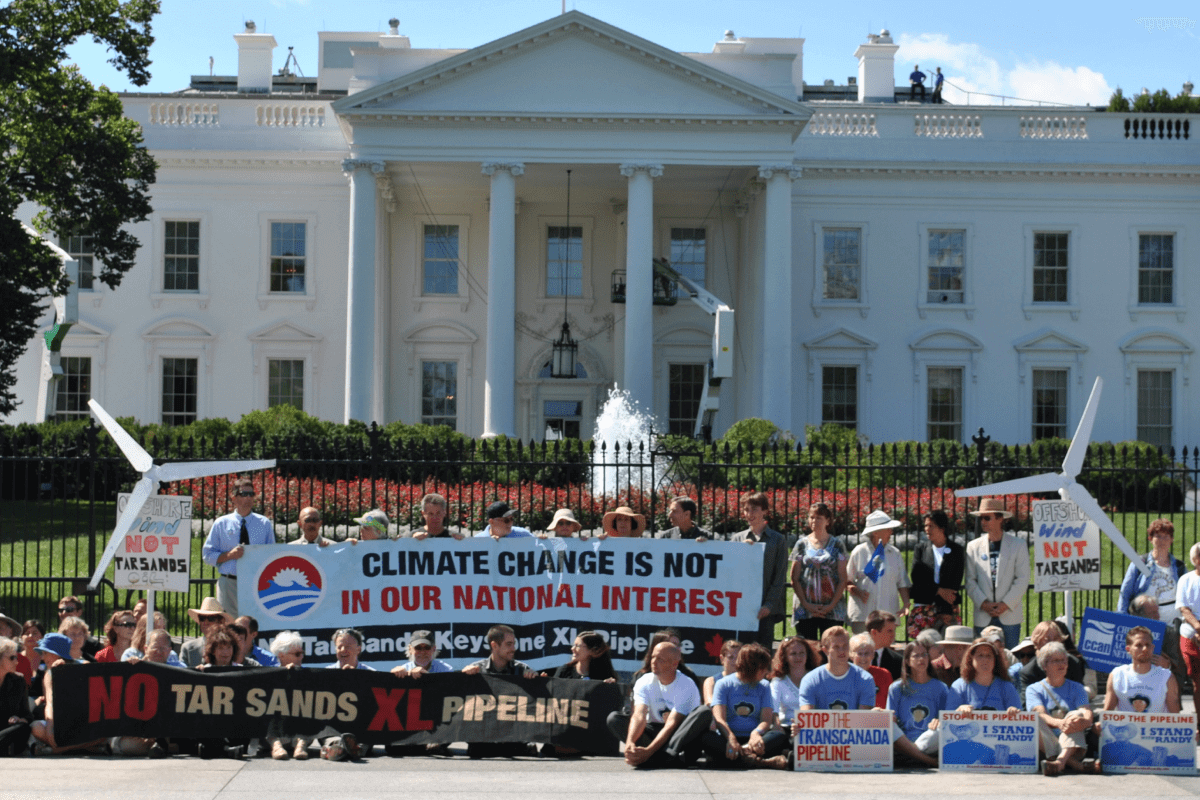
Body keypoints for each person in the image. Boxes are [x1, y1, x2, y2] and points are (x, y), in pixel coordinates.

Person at [608, 641, 703, 768]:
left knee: (704, 712)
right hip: (654, 730)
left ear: (674, 664)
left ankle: (660, 757)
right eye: (653, 657)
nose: (653, 662)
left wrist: (649, 751)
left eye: (660, 659)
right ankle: (660, 758)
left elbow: (672, 724)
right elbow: (639, 715)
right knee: (614, 718)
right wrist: (630, 742)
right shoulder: (644, 681)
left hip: (678, 736)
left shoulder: (686, 684)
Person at [703, 643, 789, 769]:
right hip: (728, 736)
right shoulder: (723, 684)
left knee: (779, 736)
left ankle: (734, 757)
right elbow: (719, 719)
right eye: (762, 668)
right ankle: (761, 762)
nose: (766, 672)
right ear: (751, 667)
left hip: (753, 739)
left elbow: (766, 720)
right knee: (706, 738)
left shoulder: (764, 686)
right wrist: (731, 739)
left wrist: (756, 733)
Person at [202, 477, 274, 617]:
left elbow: (271, 555)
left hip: (256, 583)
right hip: (229, 583)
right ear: (233, 497)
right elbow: (207, 555)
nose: (248, 498)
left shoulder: (264, 524)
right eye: (244, 494)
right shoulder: (221, 523)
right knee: (229, 624)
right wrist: (229, 555)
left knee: (254, 623)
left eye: (251, 494)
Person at [462, 624, 537, 758]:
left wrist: (537, 681)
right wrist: (463, 677)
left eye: (514, 644)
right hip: (482, 741)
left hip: (513, 738)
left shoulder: (522, 670)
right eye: (509, 644)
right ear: (494, 645)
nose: (513, 649)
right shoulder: (476, 670)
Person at [964, 498, 1029, 649]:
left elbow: (1022, 578)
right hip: (983, 615)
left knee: (1009, 659)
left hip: (1009, 615)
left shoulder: (1018, 545)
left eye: (987, 517)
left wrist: (1005, 604)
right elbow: (970, 580)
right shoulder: (973, 546)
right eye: (981, 518)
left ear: (1000, 518)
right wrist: (984, 603)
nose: (983, 522)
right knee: (983, 658)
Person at [1027, 641, 1096, 776]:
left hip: (1073, 742)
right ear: (1044, 665)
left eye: (1064, 660)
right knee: (1035, 719)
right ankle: (1073, 764)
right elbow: (1041, 714)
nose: (1062, 664)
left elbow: (1086, 710)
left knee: (1076, 714)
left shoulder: (1077, 687)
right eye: (1056, 661)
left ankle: (1058, 763)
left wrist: (1085, 720)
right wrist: (1060, 723)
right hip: (1047, 743)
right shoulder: (1034, 689)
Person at [731, 492, 787, 646]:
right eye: (746, 509)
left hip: (764, 609)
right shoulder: (737, 539)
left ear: (765, 511)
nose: (749, 514)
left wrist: (769, 605)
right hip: (741, 607)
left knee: (762, 654)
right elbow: (730, 572)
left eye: (754, 509)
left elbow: (780, 576)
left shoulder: (777, 540)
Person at [111, 629, 177, 758]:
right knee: (127, 746)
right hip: (139, 729)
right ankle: (163, 746)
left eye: (163, 648)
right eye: (155, 647)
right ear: (146, 648)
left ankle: (162, 745)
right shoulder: (134, 665)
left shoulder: (179, 669)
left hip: (169, 728)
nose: (159, 651)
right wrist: (130, 668)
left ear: (169, 651)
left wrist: (200, 671)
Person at [790, 502, 848, 640]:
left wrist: (830, 606)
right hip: (805, 608)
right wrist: (806, 604)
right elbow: (794, 578)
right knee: (808, 649)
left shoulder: (838, 544)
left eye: (819, 518)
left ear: (828, 521)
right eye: (811, 517)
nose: (814, 521)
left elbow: (843, 579)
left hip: (832, 609)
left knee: (831, 648)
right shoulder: (801, 544)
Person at [847, 510, 910, 633]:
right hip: (863, 616)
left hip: (887, 616)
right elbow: (847, 581)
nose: (891, 532)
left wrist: (906, 604)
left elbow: (902, 583)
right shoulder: (859, 552)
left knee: (885, 651)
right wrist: (858, 592)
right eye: (887, 529)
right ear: (875, 532)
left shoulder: (895, 554)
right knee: (862, 651)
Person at [888, 641, 947, 766]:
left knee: (942, 728)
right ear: (908, 661)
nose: (921, 659)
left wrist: (939, 721)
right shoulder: (896, 688)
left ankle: (911, 755)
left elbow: (945, 718)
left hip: (929, 740)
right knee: (887, 724)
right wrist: (890, 718)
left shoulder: (940, 688)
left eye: (924, 655)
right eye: (916, 655)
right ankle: (929, 761)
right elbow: (891, 720)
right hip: (903, 740)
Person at [908, 510, 965, 638]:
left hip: (947, 609)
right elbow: (917, 578)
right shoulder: (920, 549)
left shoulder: (957, 551)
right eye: (925, 526)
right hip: (924, 606)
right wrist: (939, 590)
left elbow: (954, 583)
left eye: (931, 526)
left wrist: (945, 609)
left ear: (942, 527)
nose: (927, 529)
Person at [1103, 625, 1181, 714]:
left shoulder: (1166, 677)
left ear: (1152, 648)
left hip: (1156, 727)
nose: (1144, 649)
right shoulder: (1117, 675)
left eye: (1147, 645)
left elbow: (1175, 717)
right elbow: (1107, 713)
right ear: (1128, 649)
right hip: (1126, 727)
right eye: (1139, 645)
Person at [1119, 518, 1185, 620]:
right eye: (1158, 536)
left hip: (1173, 620)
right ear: (1150, 538)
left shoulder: (1179, 566)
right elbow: (1125, 592)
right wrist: (1122, 616)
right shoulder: (1140, 563)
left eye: (1166, 536)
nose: (1162, 540)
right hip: (1145, 618)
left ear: (1171, 539)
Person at [799, 627, 877, 711]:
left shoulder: (865, 679)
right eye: (836, 647)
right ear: (825, 650)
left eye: (845, 646)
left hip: (854, 724)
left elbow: (863, 718)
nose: (842, 651)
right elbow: (806, 716)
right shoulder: (811, 680)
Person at [1015, 620, 1085, 707]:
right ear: (1037, 643)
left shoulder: (1073, 663)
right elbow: (1027, 705)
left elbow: (1081, 696)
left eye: (1056, 638)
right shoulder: (1029, 671)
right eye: (1047, 640)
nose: (1052, 643)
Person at [267, 631, 311, 760]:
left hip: (298, 730)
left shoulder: (308, 676)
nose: (301, 657)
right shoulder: (268, 675)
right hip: (274, 731)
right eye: (297, 654)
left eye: (302, 653)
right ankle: (276, 746)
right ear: (281, 655)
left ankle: (301, 745)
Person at [1129, 593, 1186, 687]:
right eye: (1152, 613)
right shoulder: (1126, 632)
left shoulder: (1169, 633)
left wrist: (1167, 665)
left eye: (1157, 611)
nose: (1157, 616)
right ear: (1139, 616)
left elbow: (1180, 669)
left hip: (1159, 686)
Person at [769, 636, 819, 733]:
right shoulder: (778, 681)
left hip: (812, 729)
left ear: (807, 655)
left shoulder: (817, 679)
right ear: (785, 657)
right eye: (793, 654)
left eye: (802, 653)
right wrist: (777, 725)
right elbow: (773, 710)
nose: (798, 657)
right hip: (785, 728)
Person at [180, 597, 232, 668]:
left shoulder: (232, 647)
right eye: (202, 618)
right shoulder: (188, 649)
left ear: (221, 621)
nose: (206, 622)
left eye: (211, 618)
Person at [0, 636, 30, 756]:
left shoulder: (18, 680)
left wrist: (19, 719)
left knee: (24, 727)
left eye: (16, 657)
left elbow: (27, 715)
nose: (16, 662)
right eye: (12, 658)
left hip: (7, 731)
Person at [552, 631, 616, 682]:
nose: (572, 648)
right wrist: (546, 683)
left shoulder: (603, 675)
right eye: (574, 645)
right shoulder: (565, 670)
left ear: (592, 650)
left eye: (577, 646)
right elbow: (552, 694)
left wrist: (610, 688)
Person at [849, 632, 892, 708]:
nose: (863, 657)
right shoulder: (843, 675)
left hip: (878, 718)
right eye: (859, 653)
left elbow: (891, 704)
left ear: (873, 655)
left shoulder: (884, 674)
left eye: (867, 653)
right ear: (851, 655)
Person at [866, 610, 903, 680]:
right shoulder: (854, 658)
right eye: (889, 631)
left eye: (894, 630)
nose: (893, 635)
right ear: (874, 632)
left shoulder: (897, 661)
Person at [704, 639, 742, 704]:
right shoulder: (711, 682)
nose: (735, 661)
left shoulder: (748, 682)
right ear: (722, 659)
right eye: (731, 657)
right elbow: (709, 702)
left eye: (738, 657)